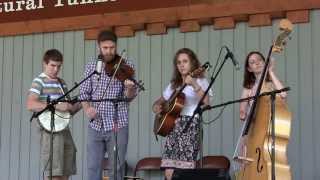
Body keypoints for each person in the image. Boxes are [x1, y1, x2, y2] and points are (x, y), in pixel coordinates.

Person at [79, 30, 137, 180]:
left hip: (118, 123)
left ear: (116, 46)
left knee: (116, 168)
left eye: (112, 48)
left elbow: (129, 98)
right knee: (93, 167)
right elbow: (84, 93)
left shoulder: (126, 65)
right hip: (95, 124)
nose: (109, 51)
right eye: (105, 48)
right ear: (99, 47)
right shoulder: (92, 66)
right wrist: (87, 109)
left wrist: (130, 89)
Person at [152, 48, 212, 180]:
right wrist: (156, 107)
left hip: (190, 126)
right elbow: (160, 101)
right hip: (172, 126)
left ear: (193, 63)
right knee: (168, 171)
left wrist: (194, 84)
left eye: (185, 61)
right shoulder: (174, 84)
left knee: (183, 171)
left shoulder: (201, 81)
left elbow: (207, 102)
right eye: (178, 62)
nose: (181, 65)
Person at [26, 49, 82, 180]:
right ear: (44, 64)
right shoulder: (39, 81)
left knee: (67, 168)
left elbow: (68, 110)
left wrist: (81, 102)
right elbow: (30, 104)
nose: (56, 69)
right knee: (54, 172)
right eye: (52, 65)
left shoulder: (62, 83)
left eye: (59, 66)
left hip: (63, 128)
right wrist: (57, 106)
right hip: (49, 130)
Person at [239, 51, 287, 121]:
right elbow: (242, 114)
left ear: (265, 63)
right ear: (249, 69)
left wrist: (270, 71)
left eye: (259, 60)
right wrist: (248, 116)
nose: (257, 63)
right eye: (252, 62)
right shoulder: (248, 88)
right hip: (256, 125)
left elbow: (283, 94)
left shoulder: (274, 82)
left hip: (274, 122)